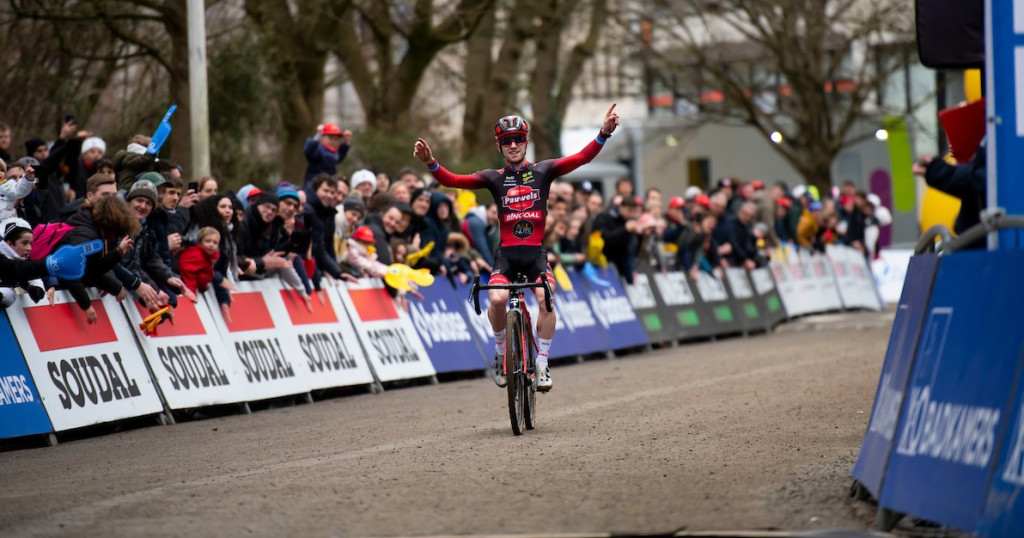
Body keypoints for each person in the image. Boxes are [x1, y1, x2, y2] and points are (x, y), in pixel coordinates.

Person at [413, 104, 620, 391]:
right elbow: (455, 181)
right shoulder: (493, 178)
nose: (513, 145)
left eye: (518, 139)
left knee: (546, 297)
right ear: (499, 146)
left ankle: (543, 362)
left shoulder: (544, 171)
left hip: (535, 254)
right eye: (506, 141)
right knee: (497, 300)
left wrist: (603, 133)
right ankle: (500, 353)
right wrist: (431, 163)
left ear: (526, 142)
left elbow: (581, 158)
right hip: (507, 255)